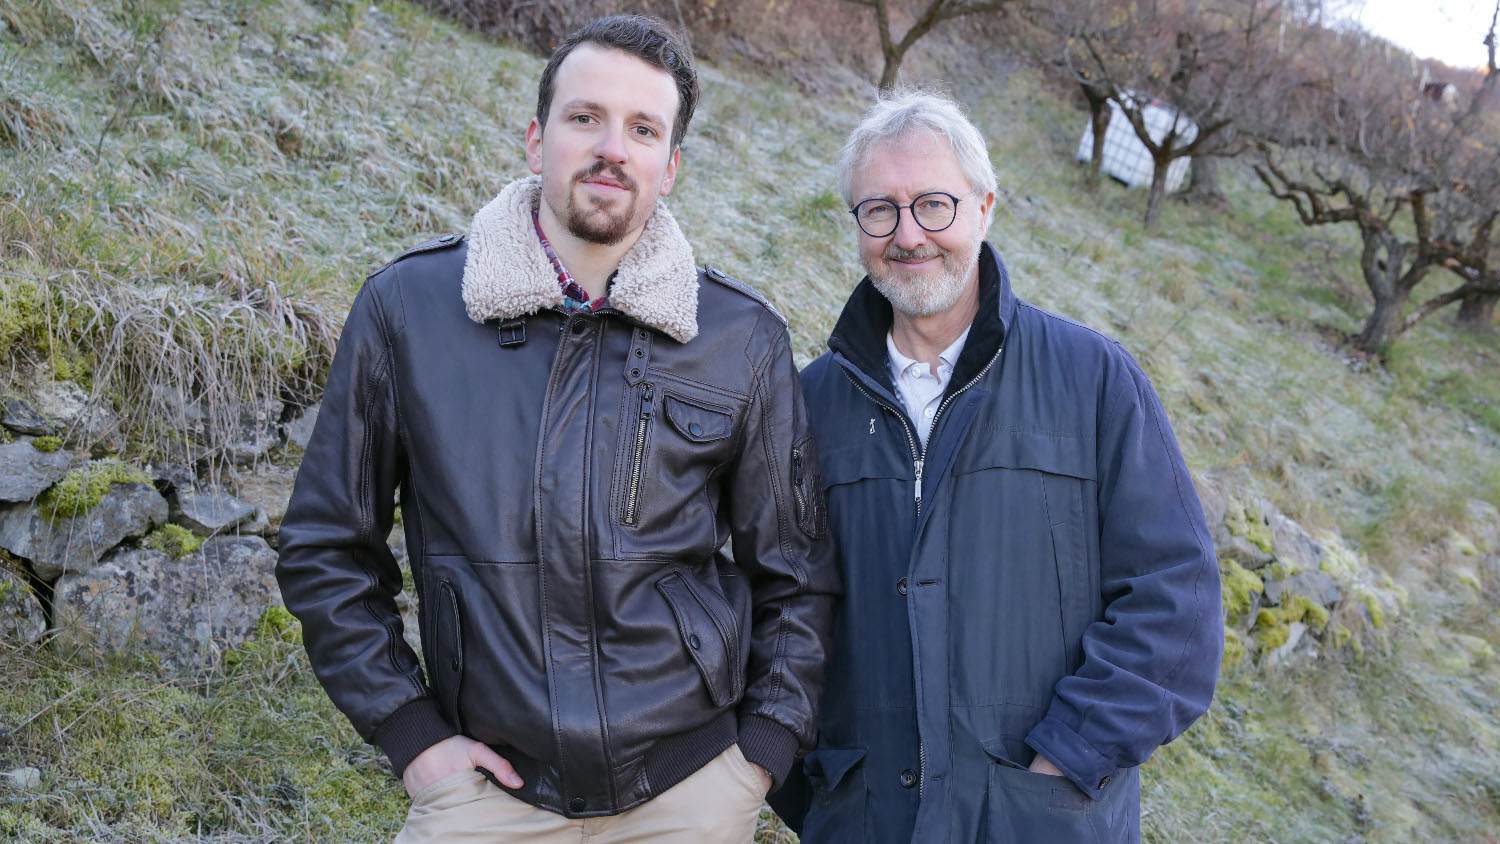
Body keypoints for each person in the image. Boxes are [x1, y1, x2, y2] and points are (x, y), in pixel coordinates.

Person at [275, 16, 837, 843]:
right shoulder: (410, 310)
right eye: (586, 118)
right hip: (485, 792)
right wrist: (411, 735)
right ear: (537, 141)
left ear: (670, 166)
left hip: (690, 787)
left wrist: (758, 754)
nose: (613, 148)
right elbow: (326, 547)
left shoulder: (740, 338)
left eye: (643, 129)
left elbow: (796, 574)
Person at [775, 89, 1222, 843]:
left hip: (1038, 821)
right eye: (879, 209)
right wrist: (817, 789)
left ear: (985, 207)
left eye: (935, 205)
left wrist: (1066, 759)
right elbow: (780, 608)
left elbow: (1174, 603)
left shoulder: (1093, 380)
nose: (908, 234)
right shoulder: (810, 402)